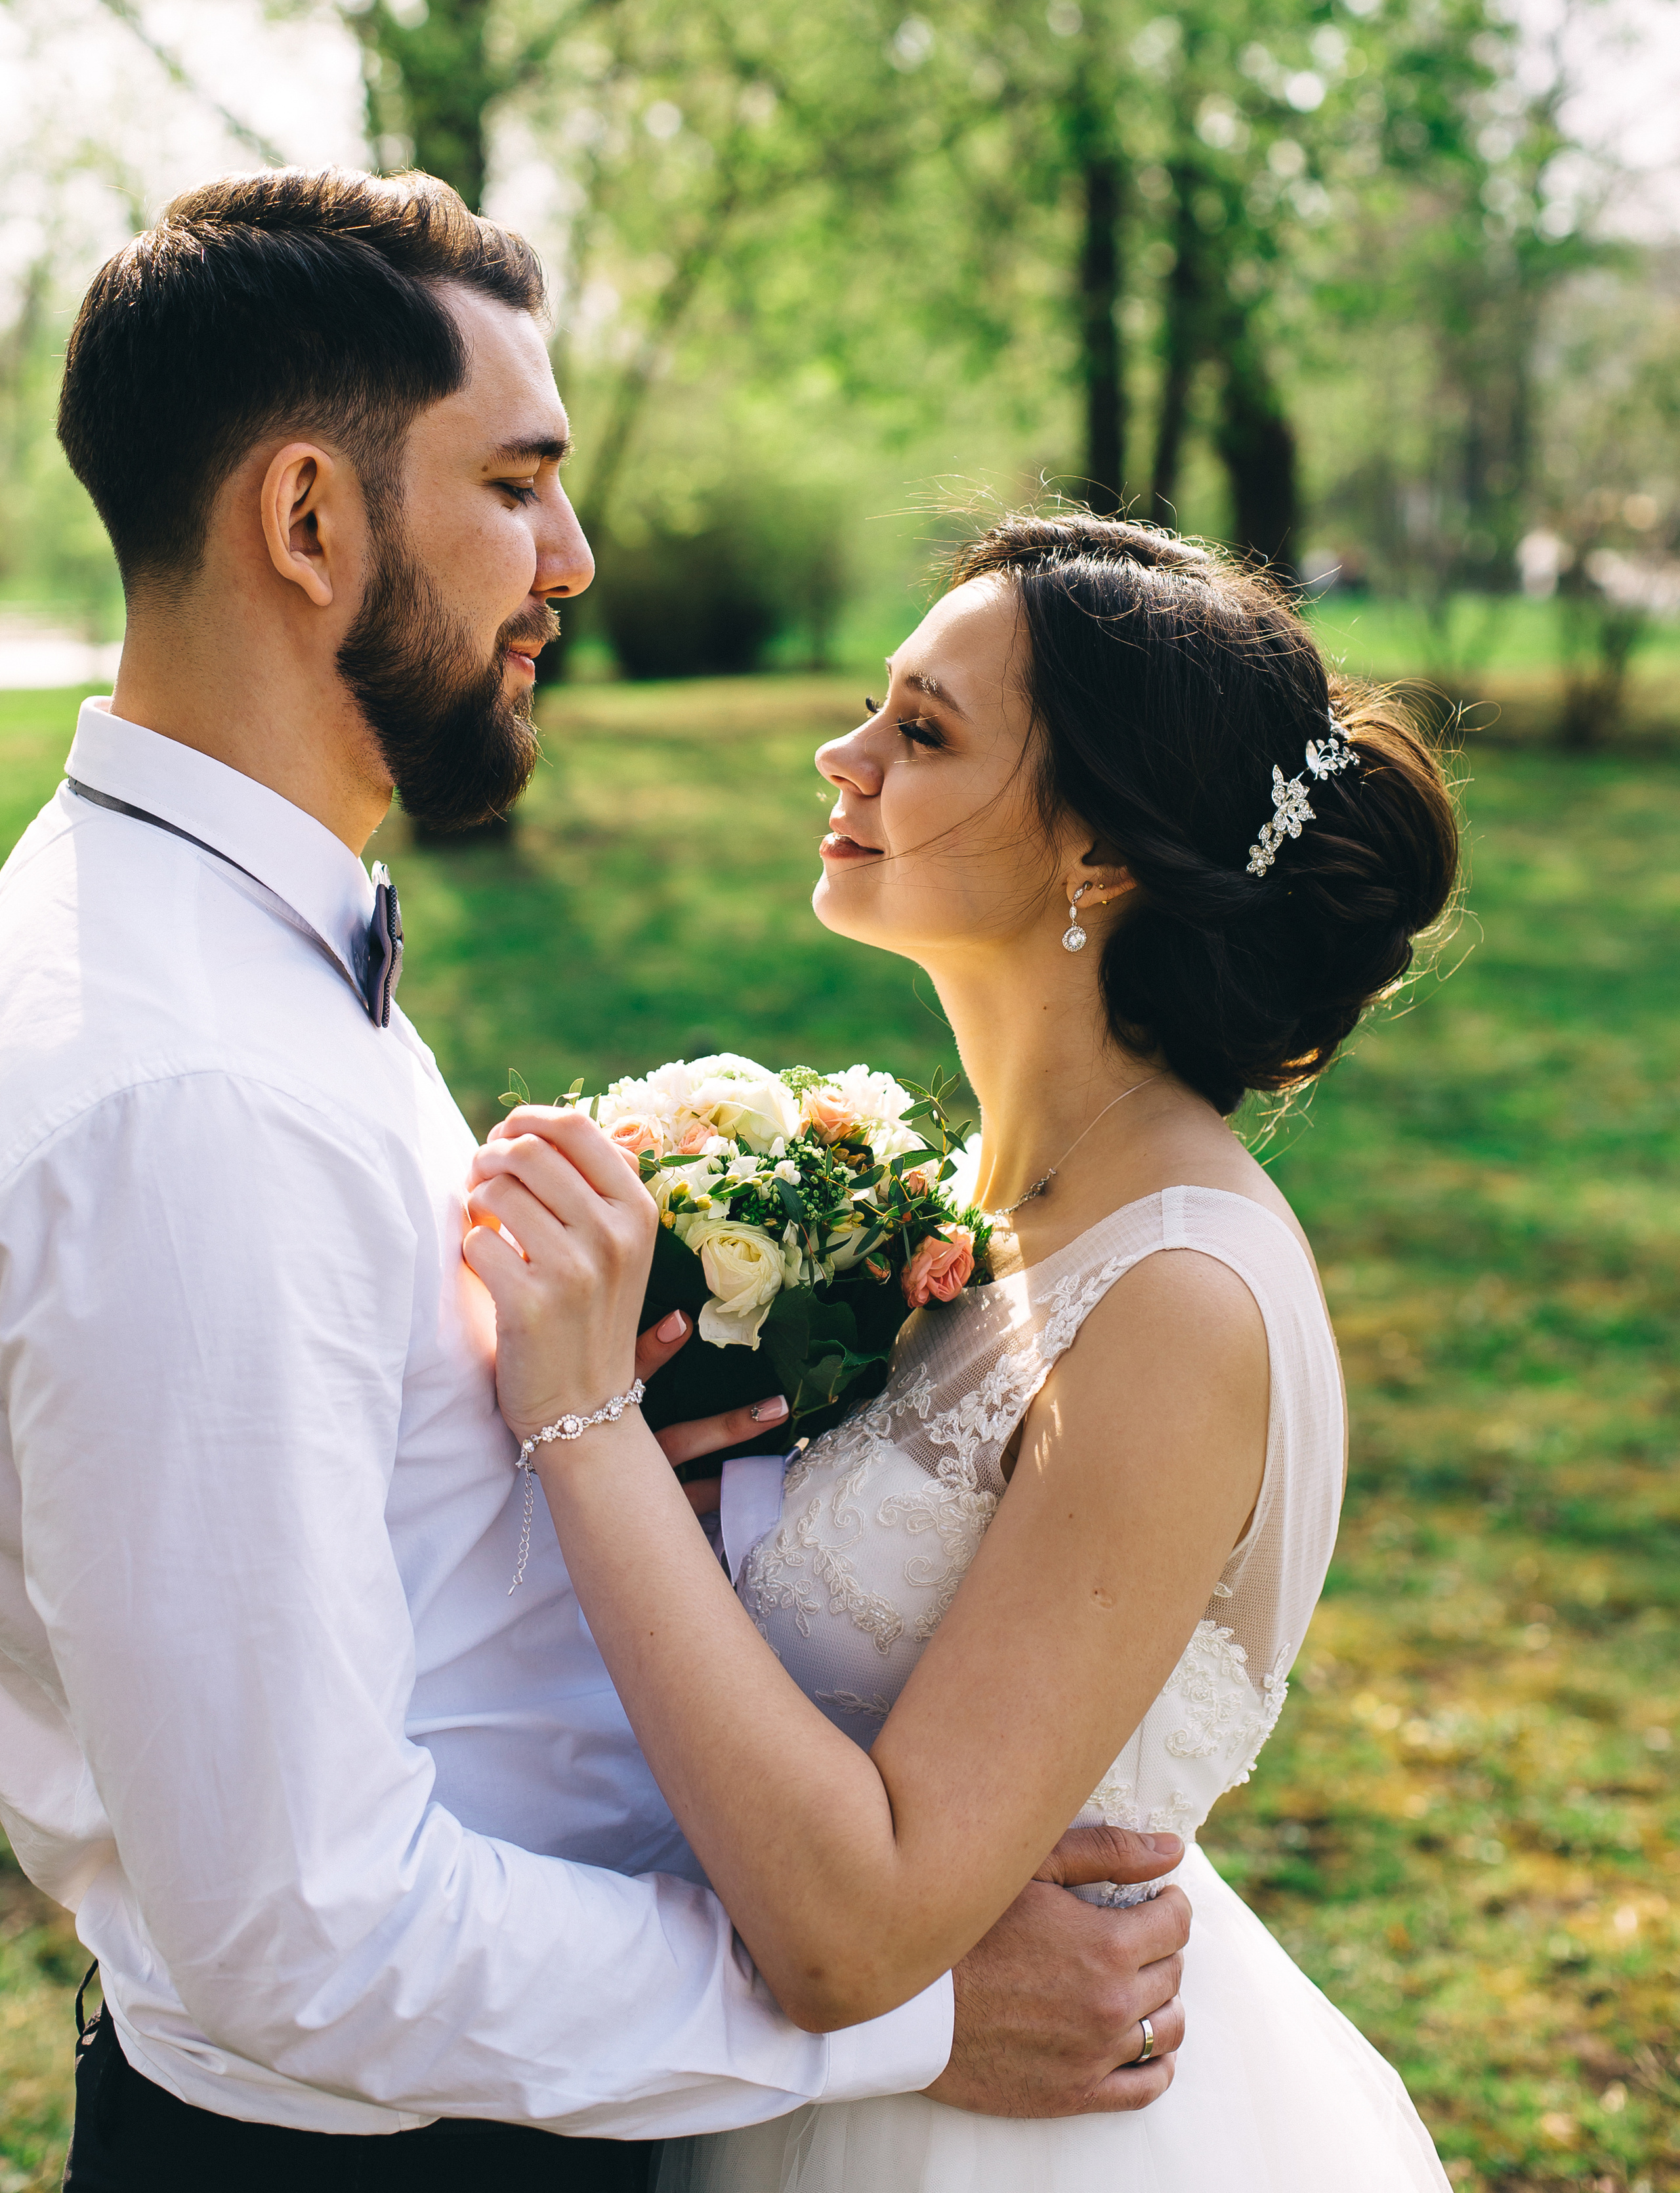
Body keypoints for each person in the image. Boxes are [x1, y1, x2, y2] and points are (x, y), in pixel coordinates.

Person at [0, 177, 1189, 2190]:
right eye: (518, 487)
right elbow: (310, 1938)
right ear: (307, 523)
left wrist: (577, 1421)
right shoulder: (187, 1089)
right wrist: (905, 2016)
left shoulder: (214, 942)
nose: (576, 557)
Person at [464, 515, 1461, 2191]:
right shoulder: (972, 1228)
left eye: (921, 731)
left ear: (1098, 859)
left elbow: (856, 1936)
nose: (837, 754)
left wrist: (583, 1422)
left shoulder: (1176, 1303)